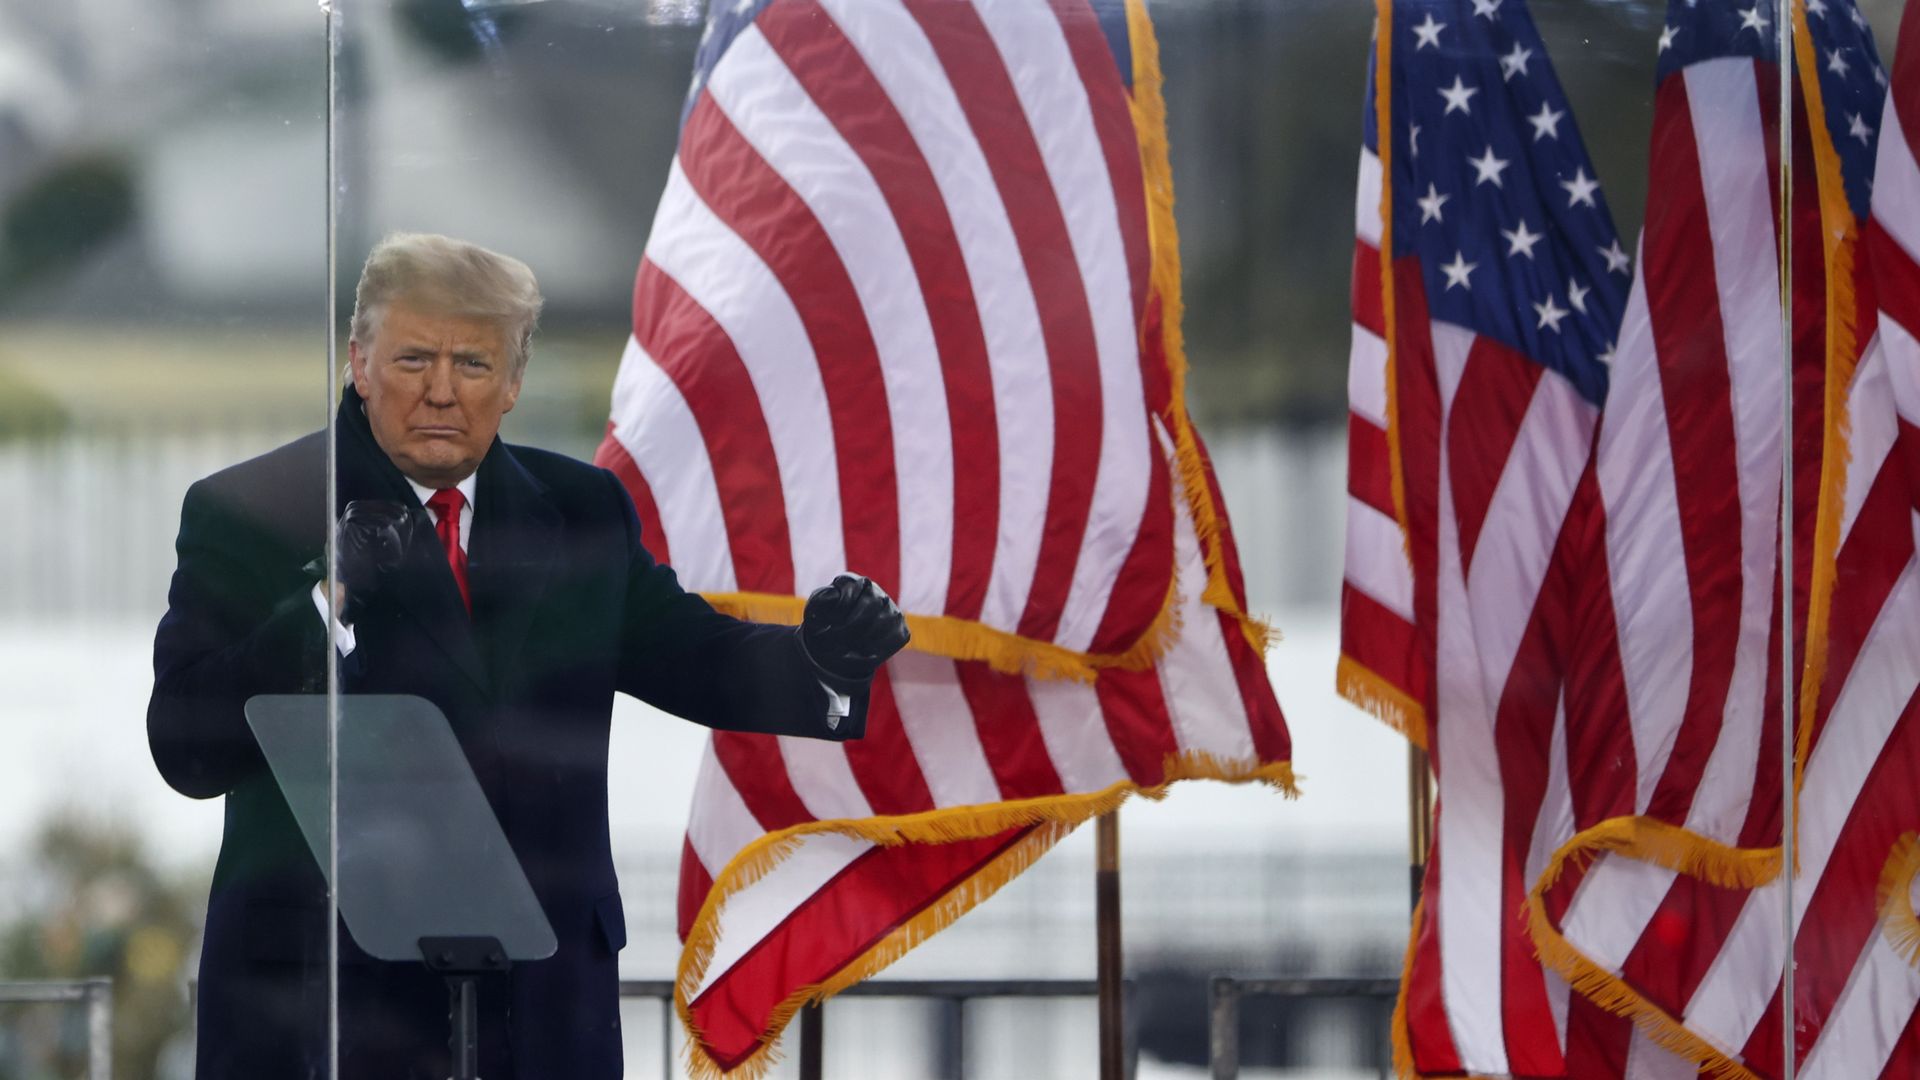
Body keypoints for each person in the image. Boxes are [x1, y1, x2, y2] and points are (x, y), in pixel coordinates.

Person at [147, 232, 909, 1079]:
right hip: (326, 1016)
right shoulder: (256, 510)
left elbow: (693, 653)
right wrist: (327, 604)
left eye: (472, 364)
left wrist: (821, 661)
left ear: (513, 383)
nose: (441, 391)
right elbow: (185, 745)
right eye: (412, 359)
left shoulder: (582, 510)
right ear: (359, 363)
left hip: (543, 1011)